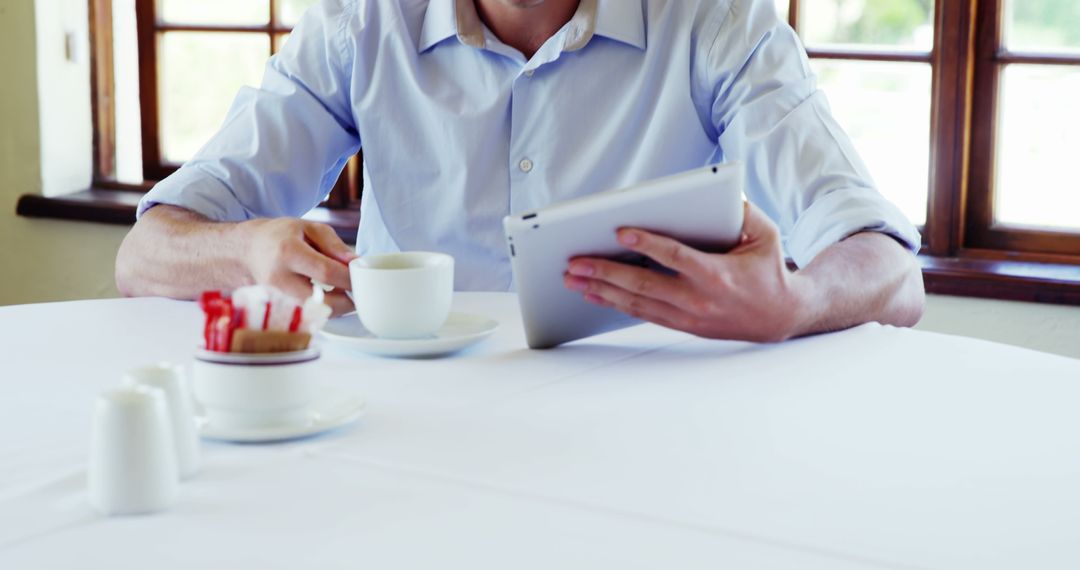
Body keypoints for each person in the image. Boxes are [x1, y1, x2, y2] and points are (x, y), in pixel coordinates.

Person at [116, 0, 925, 343]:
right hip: (403, 435)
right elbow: (143, 256)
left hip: (654, 434)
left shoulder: (715, 20)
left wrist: (796, 301)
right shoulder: (362, 21)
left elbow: (893, 272)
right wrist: (250, 249)